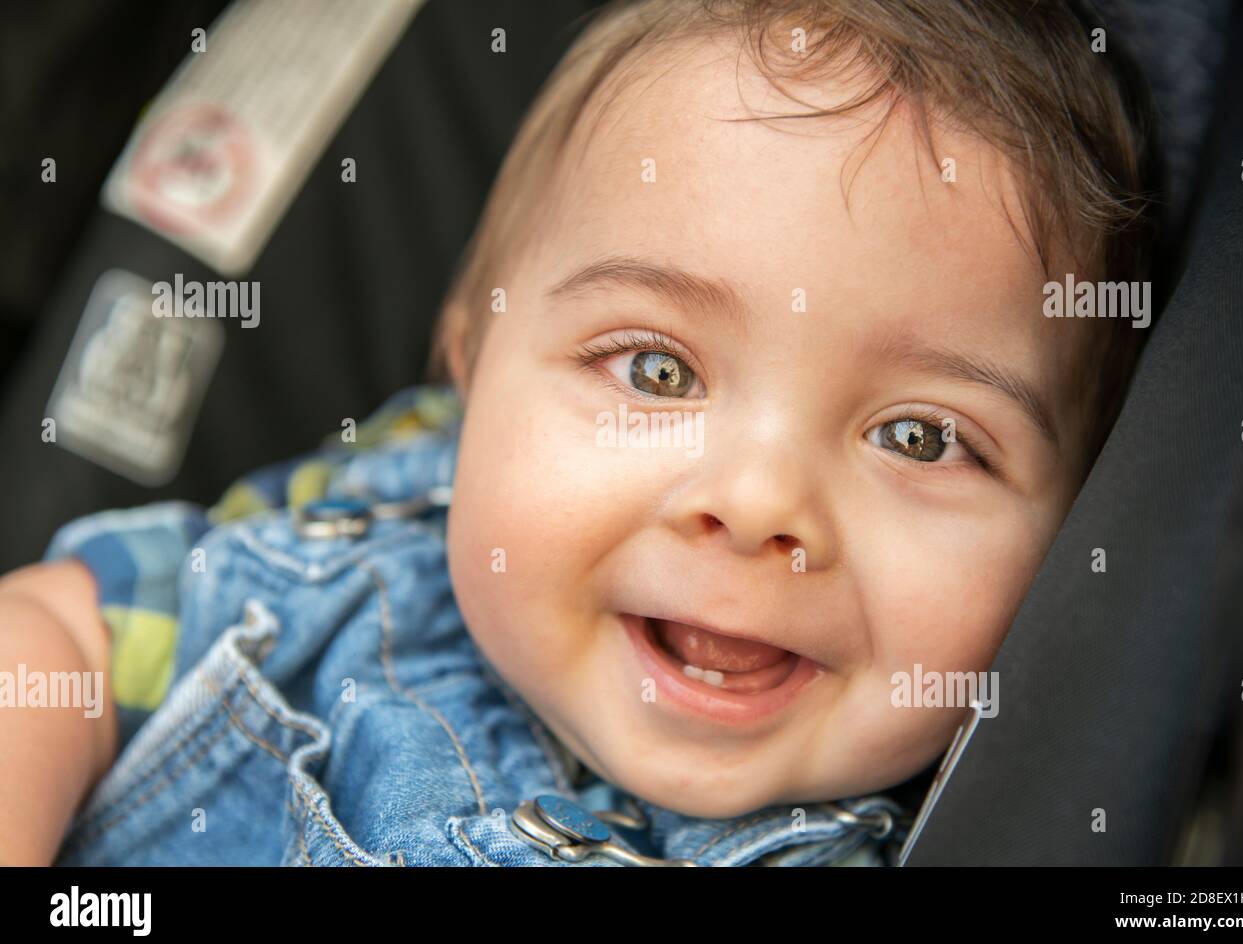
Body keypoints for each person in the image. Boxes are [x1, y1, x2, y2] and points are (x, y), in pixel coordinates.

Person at [0, 0, 1155, 865]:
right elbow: (59, 637)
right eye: (657, 368)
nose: (757, 503)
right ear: (471, 371)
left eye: (919, 436)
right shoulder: (344, 578)